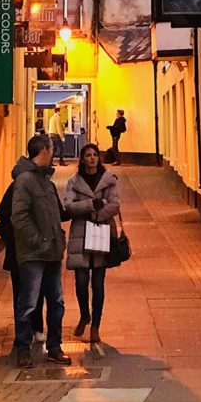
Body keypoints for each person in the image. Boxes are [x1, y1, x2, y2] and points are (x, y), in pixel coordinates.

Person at [10, 134, 71, 368]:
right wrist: (39, 241)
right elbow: (19, 216)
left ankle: (54, 347)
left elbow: (55, 213)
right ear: (44, 150)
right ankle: (22, 348)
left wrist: (58, 240)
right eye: (51, 149)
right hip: (34, 254)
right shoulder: (25, 180)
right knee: (29, 303)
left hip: (52, 252)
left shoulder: (47, 182)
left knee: (57, 302)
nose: (53, 152)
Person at [63, 143, 120, 344]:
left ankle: (96, 325)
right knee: (80, 283)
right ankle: (84, 314)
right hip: (80, 234)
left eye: (95, 154)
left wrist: (96, 214)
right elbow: (68, 206)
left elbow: (114, 205)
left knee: (98, 284)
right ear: (82, 159)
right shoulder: (74, 181)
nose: (92, 158)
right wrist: (90, 205)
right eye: (88, 155)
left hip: (100, 233)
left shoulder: (108, 180)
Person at [0, 181, 45, 344]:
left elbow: (56, 212)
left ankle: (36, 327)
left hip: (38, 249)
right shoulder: (17, 186)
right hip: (18, 248)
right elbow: (1, 212)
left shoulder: (45, 186)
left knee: (38, 290)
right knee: (21, 293)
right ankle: (22, 333)